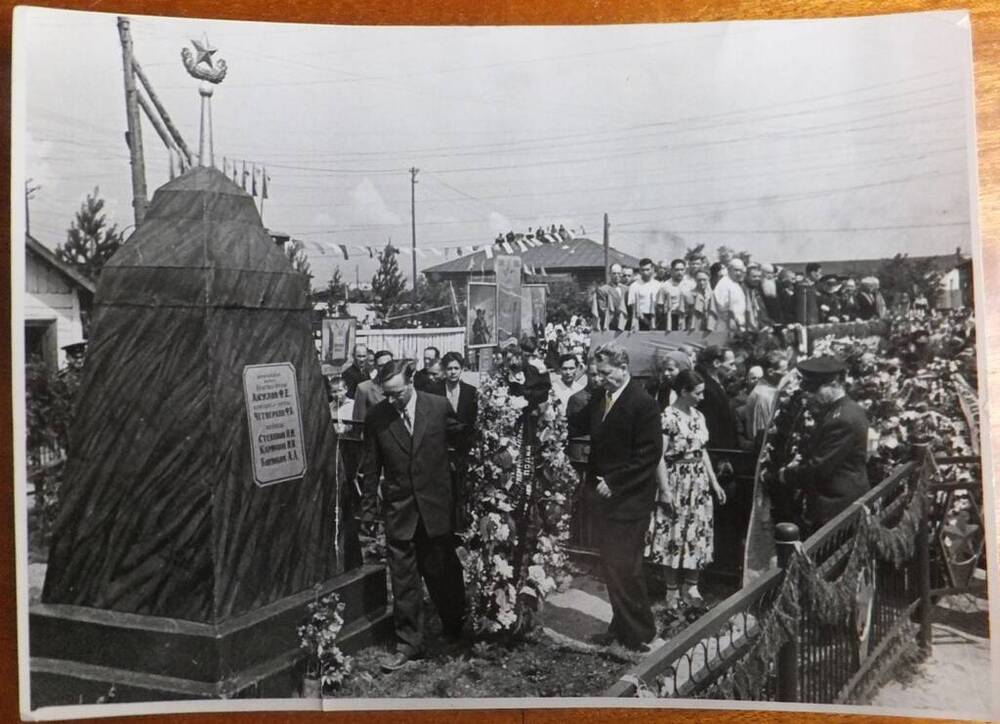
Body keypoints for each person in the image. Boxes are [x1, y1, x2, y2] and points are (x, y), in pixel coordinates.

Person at [361, 360, 466, 671]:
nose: (392, 401)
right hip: (400, 508)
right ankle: (409, 643)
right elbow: (370, 466)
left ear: (411, 383)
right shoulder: (377, 417)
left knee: (441, 571)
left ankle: (454, 624)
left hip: (435, 507)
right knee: (403, 578)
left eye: (397, 393)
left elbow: (461, 441)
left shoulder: (438, 406)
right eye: (386, 395)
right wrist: (368, 509)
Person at [573, 342, 662, 651]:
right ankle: (622, 625)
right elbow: (576, 424)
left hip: (629, 500)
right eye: (597, 373)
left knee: (626, 566)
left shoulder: (643, 403)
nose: (601, 378)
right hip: (605, 499)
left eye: (606, 373)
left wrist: (614, 482)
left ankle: (641, 633)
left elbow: (648, 455)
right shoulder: (602, 397)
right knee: (613, 565)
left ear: (624, 369)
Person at [646, 369, 726, 611]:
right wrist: (665, 490)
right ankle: (671, 590)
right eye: (698, 393)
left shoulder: (699, 416)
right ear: (683, 391)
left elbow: (702, 452)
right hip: (676, 481)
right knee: (672, 534)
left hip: (698, 483)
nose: (702, 397)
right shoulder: (668, 418)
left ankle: (691, 585)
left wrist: (714, 482)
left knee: (697, 531)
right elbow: (658, 457)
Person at [778, 357, 870, 534]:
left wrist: (787, 474)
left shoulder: (842, 419)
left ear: (833, 384)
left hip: (836, 503)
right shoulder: (841, 410)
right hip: (837, 497)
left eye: (815, 389)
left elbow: (820, 467)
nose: (811, 395)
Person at [432, 352, 478, 532]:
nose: (452, 372)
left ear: (462, 369)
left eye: (456, 368)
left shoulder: (470, 391)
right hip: (440, 446)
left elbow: (472, 420)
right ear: (444, 370)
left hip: (462, 447)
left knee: (460, 489)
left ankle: (459, 527)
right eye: (449, 368)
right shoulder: (434, 389)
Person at [696, 346, 739, 451]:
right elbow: (712, 425)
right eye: (731, 364)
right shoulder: (707, 389)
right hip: (716, 449)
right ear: (716, 363)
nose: (735, 368)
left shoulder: (718, 383)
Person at [742, 351, 787, 449]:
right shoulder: (764, 395)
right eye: (784, 371)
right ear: (770, 372)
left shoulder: (768, 390)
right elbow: (763, 433)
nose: (786, 374)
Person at [657, 259, 694, 331]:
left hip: (686, 318)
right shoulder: (665, 286)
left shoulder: (691, 285)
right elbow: (660, 306)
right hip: (671, 318)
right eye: (677, 270)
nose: (680, 272)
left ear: (685, 270)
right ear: (671, 270)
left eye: (682, 269)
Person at [713, 259, 748, 334]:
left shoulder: (736, 283)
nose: (738, 273)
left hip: (738, 325)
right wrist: (731, 319)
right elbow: (721, 306)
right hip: (727, 325)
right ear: (729, 269)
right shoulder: (723, 283)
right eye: (735, 270)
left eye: (740, 270)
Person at [627, 258, 661, 330]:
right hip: (640, 319)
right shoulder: (634, 286)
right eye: (643, 270)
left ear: (652, 269)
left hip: (656, 319)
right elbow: (633, 305)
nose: (645, 272)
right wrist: (646, 321)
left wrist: (655, 321)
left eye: (647, 269)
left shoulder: (658, 285)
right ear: (640, 270)